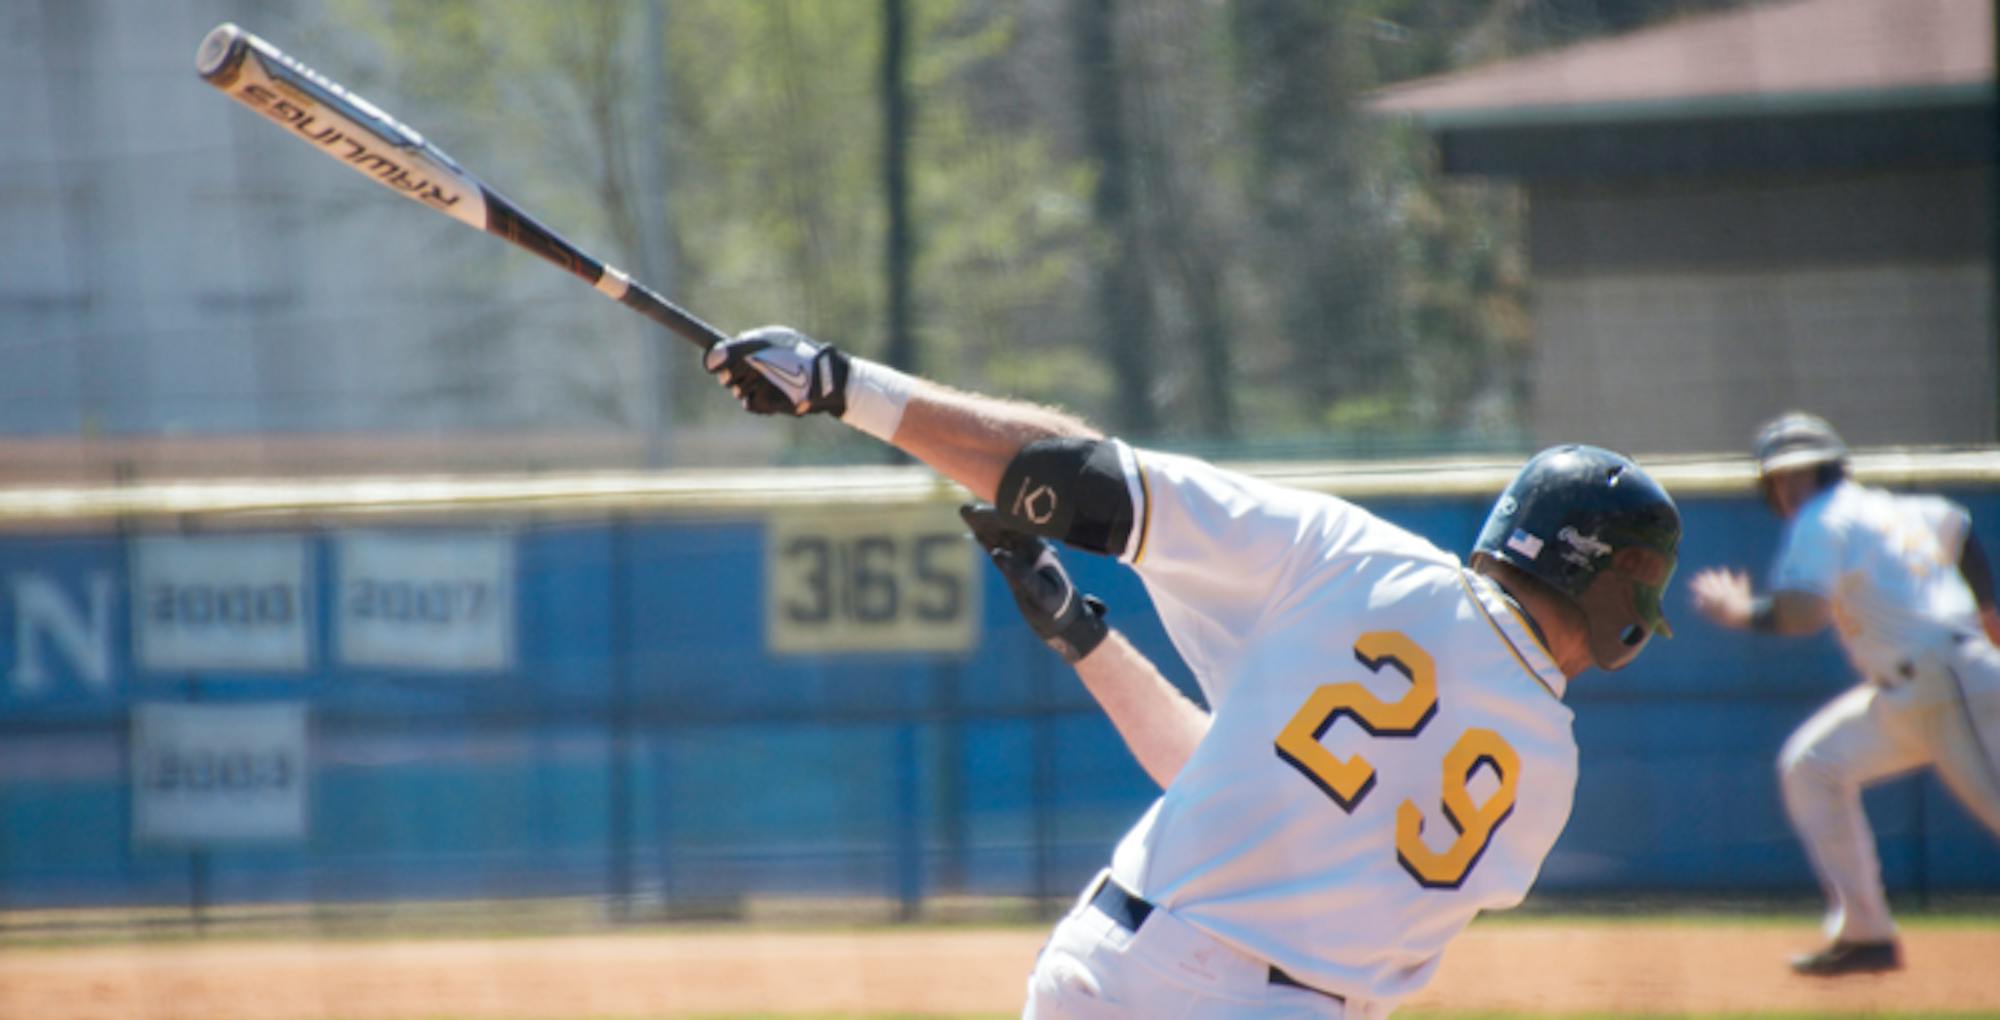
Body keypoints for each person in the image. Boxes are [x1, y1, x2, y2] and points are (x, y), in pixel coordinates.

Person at [705, 327, 1682, 1018]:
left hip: (1099, 971)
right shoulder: (1545, 776)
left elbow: (1082, 480)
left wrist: (843, 385)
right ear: (1617, 601)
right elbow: (1266, 814)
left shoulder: (1355, 556)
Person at [1690, 411, 2000, 977]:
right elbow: (1960, 529)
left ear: (1781, 481)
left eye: (1781, 479)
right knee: (1813, 766)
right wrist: (1987, 609)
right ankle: (1866, 935)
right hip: (1917, 688)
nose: (1781, 490)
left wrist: (1737, 612)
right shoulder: (1889, 506)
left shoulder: (1820, 519)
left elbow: (1803, 613)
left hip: (1947, 680)